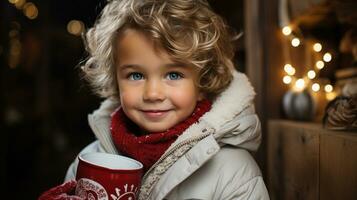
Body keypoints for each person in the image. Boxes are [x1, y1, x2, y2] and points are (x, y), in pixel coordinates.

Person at [39, 0, 269, 199]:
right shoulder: (88, 164)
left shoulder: (234, 172)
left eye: (173, 74)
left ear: (203, 83)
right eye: (136, 75)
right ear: (115, 79)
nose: (153, 94)